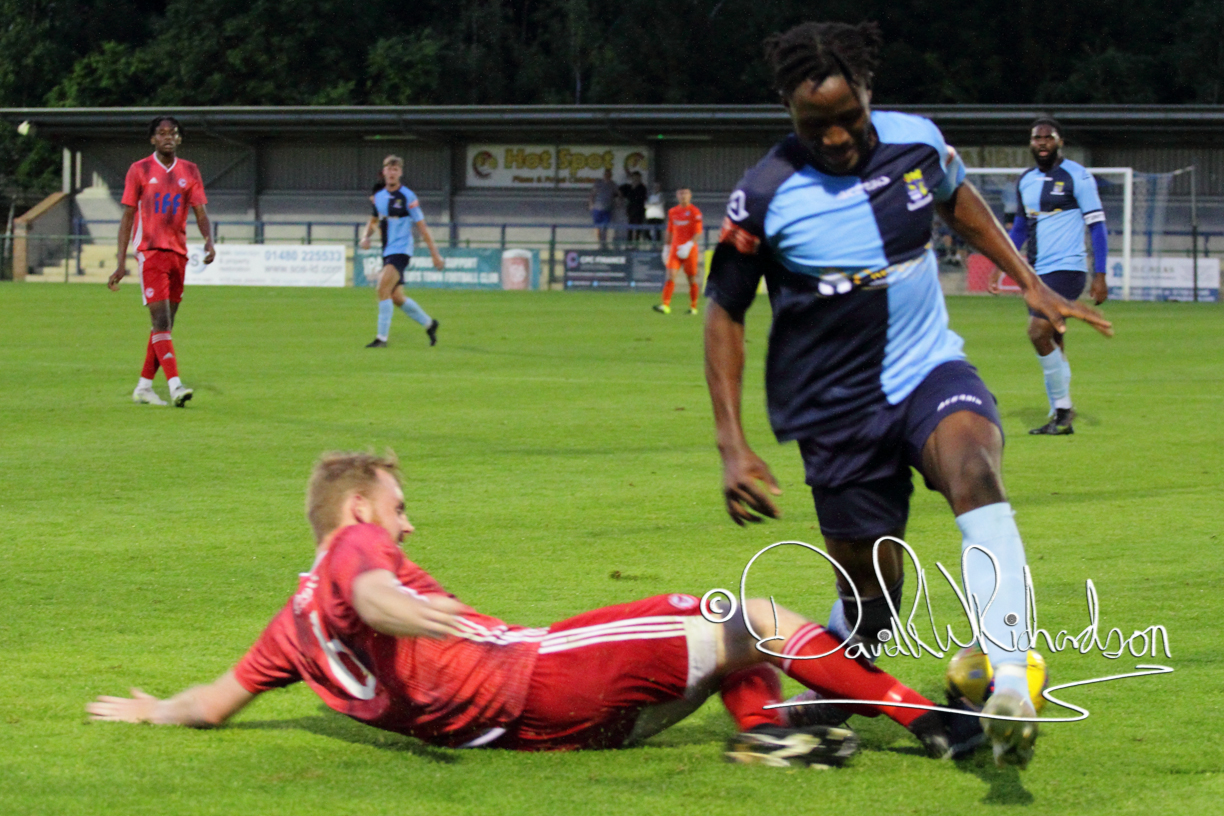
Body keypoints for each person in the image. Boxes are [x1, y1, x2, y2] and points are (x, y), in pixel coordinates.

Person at [702, 21, 1113, 768]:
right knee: (872, 600)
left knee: (975, 471)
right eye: (815, 125)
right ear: (788, 112)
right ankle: (833, 683)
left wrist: (1028, 282)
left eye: (849, 117)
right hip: (835, 405)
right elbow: (724, 313)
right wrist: (732, 444)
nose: (835, 137)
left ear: (868, 93)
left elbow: (959, 201)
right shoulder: (763, 194)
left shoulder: (917, 142)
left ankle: (1011, 679)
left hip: (929, 370)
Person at [87, 450, 962, 767]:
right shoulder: (355, 550)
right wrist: (408, 612)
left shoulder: (288, 629)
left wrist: (154, 710)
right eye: (398, 508)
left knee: (735, 644)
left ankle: (770, 732)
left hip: (544, 735)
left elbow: (213, 703)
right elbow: (371, 594)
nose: (407, 523)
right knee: (752, 614)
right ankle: (935, 724)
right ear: (357, 511)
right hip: (543, 676)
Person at [989, 118, 1109, 435]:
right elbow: (1019, 228)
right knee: (1054, 339)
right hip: (1037, 274)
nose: (1042, 142)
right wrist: (1001, 264)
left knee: (1037, 333)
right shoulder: (1026, 180)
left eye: (1048, 137)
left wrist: (1100, 274)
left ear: (1060, 142)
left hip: (1067, 269)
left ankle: (1063, 410)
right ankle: (1060, 411)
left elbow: (1097, 226)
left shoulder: (1077, 176)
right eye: (1036, 137)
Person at [107, 116, 214, 407]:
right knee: (161, 321)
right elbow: (128, 217)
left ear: (179, 138)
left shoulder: (190, 170)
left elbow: (200, 211)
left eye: (173, 133)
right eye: (162, 133)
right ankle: (175, 385)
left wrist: (208, 240)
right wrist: (121, 261)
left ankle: (143, 387)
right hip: (151, 252)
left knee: (164, 326)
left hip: (178, 254)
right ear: (153, 139)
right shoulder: (139, 169)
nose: (168, 137)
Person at [359, 155, 444, 348]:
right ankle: (430, 324)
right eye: (389, 169)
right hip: (387, 250)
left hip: (401, 250)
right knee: (396, 297)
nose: (392, 172)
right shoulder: (379, 197)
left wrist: (435, 254)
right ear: (384, 172)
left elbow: (422, 227)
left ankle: (381, 339)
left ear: (400, 173)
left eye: (396, 169)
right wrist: (365, 236)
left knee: (381, 289)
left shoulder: (408, 196)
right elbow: (373, 220)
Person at [653, 189, 704, 315]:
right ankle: (665, 305)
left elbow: (698, 232)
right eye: (681, 194)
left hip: (690, 250)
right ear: (677, 196)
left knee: (691, 279)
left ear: (690, 195)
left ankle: (693, 306)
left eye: (685, 193)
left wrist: (689, 244)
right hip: (675, 250)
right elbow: (670, 230)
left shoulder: (695, 212)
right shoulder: (673, 212)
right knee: (670, 276)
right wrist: (666, 247)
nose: (683, 196)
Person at [588, 168, 619, 248]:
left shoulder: (613, 184)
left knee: (605, 227)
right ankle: (599, 243)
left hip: (607, 209)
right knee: (597, 227)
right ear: (604, 175)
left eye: (609, 174)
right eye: (606, 174)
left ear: (611, 175)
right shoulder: (598, 183)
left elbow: (618, 194)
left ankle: (604, 243)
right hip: (597, 208)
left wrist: (618, 202)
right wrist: (591, 204)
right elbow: (592, 194)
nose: (607, 176)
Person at [619, 171, 648, 244]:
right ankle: (629, 243)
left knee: (638, 227)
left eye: (637, 178)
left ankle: (636, 243)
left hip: (639, 210)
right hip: (630, 210)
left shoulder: (642, 188)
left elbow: (642, 198)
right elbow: (619, 191)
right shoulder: (628, 187)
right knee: (630, 227)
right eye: (634, 178)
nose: (636, 179)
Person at [644, 181, 667, 246]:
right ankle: (651, 243)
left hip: (658, 216)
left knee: (657, 232)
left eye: (657, 187)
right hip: (650, 216)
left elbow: (660, 203)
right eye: (654, 187)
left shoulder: (661, 195)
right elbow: (646, 205)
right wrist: (653, 204)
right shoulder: (650, 196)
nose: (655, 188)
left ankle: (657, 245)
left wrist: (652, 204)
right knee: (647, 231)